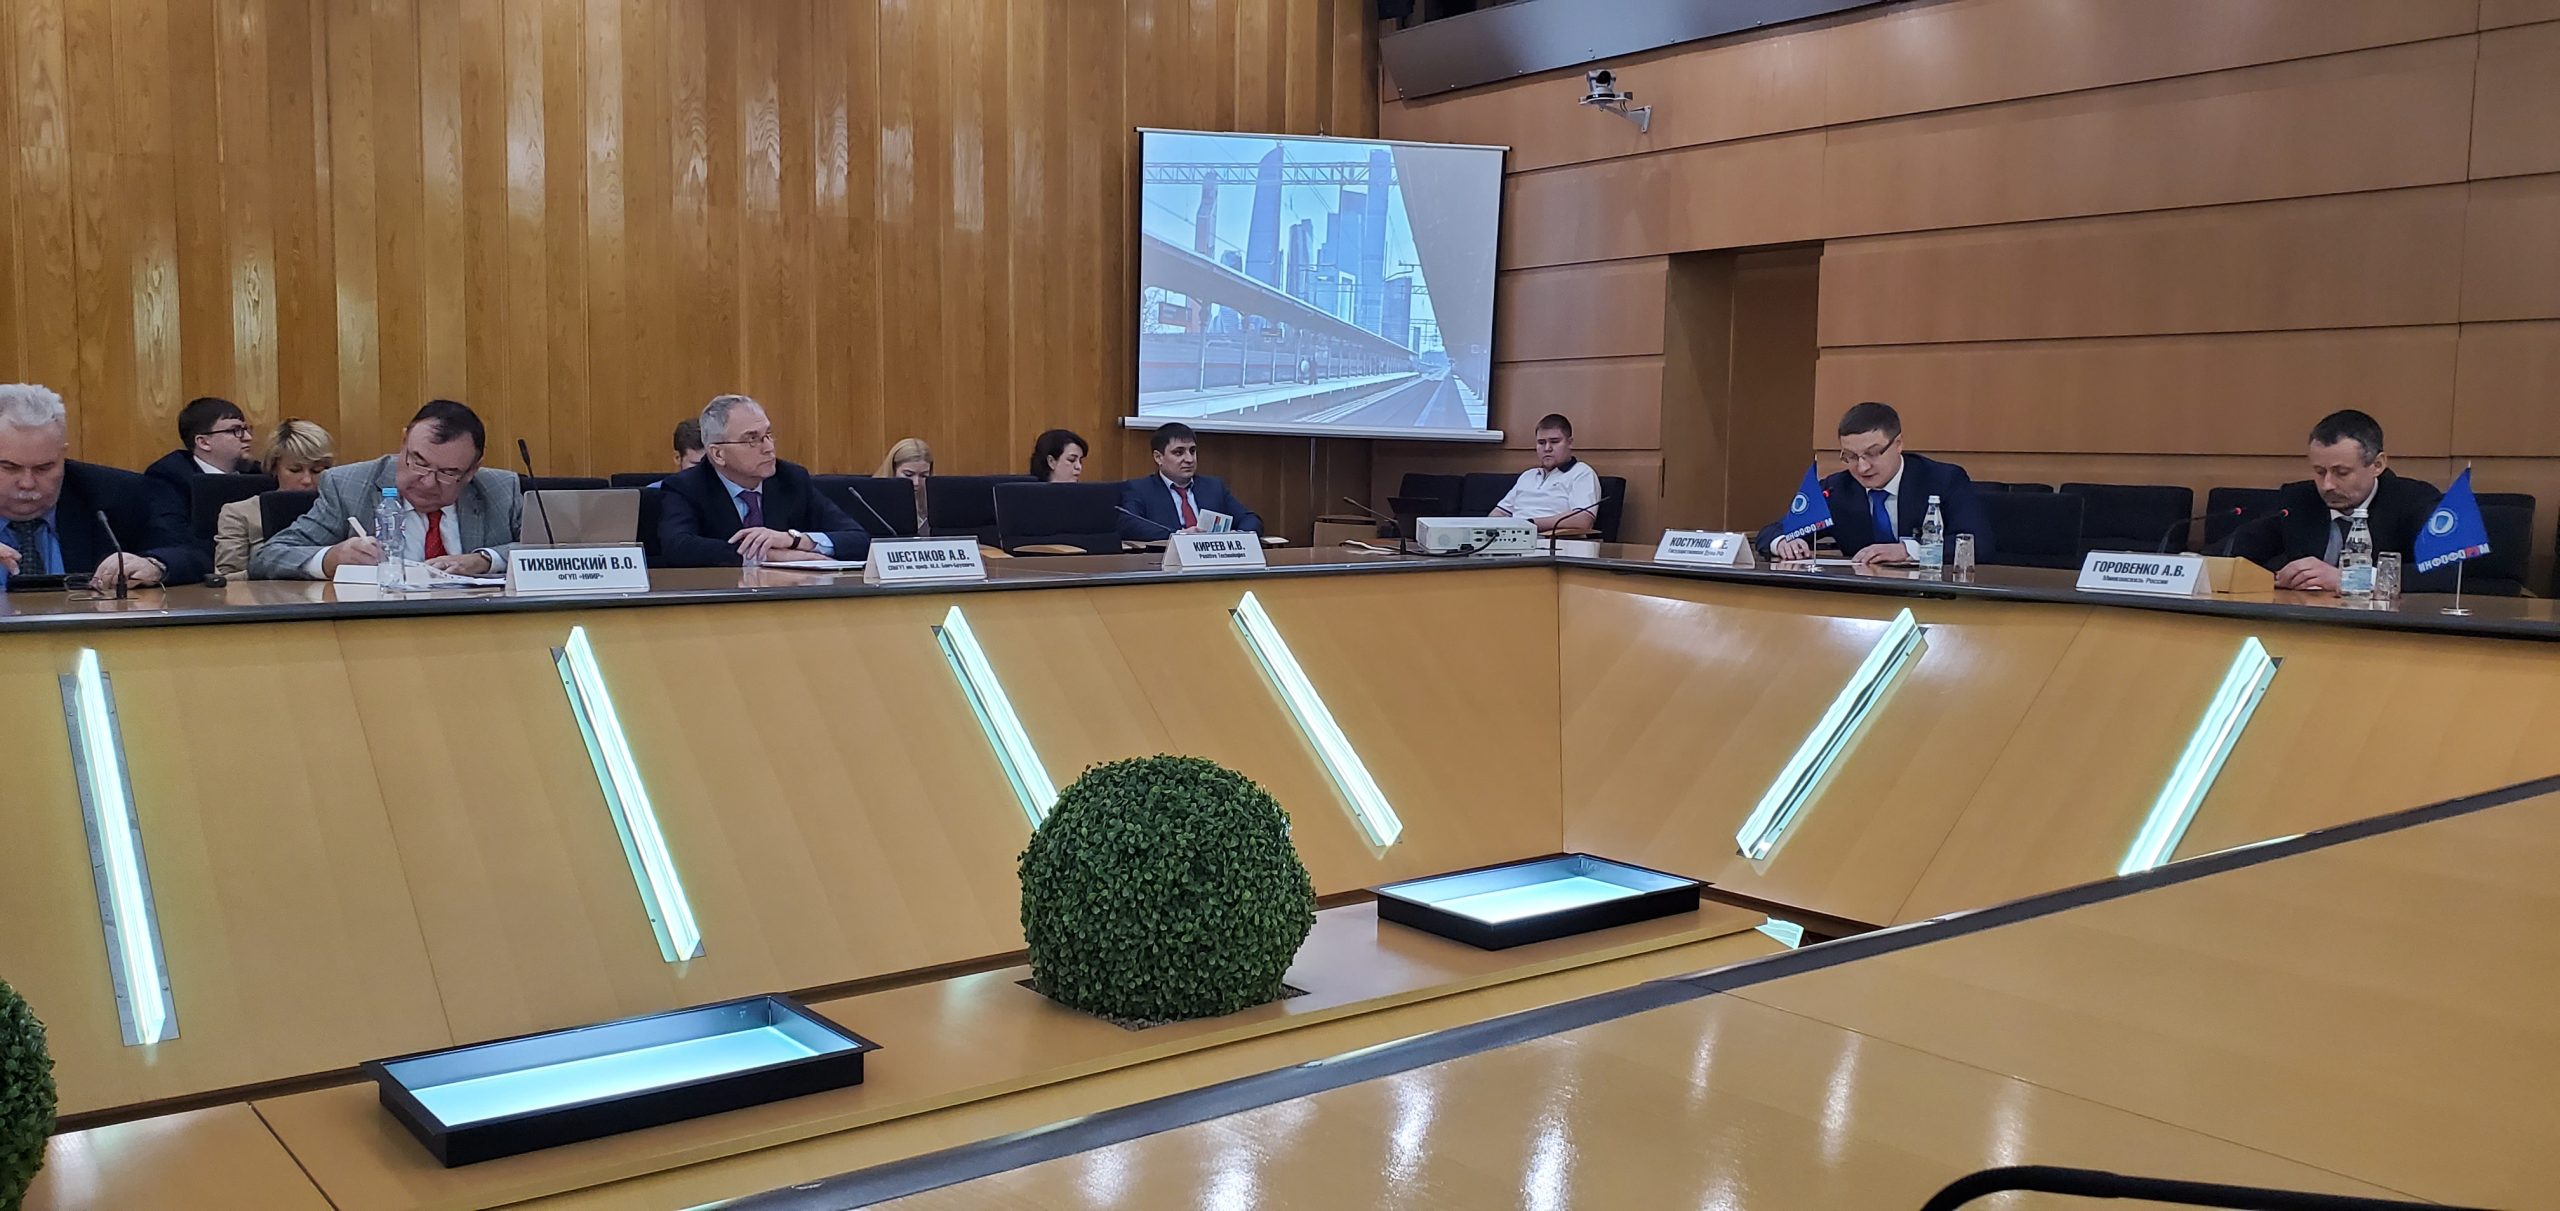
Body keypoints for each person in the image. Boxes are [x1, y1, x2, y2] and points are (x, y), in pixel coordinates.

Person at [250, 400, 522, 579]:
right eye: (419, 462)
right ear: (403, 442)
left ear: (472, 470)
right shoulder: (349, 486)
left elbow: (546, 550)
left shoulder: (500, 489)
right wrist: (331, 558)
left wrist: (485, 560)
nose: (428, 481)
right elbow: (268, 557)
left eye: (448, 473)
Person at [0, 383, 207, 588]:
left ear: (63, 454)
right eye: (9, 467)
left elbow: (193, 553)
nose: (27, 483)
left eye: (44, 468)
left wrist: (154, 565)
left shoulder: (114, 494)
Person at [2228, 409, 2452, 594]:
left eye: (2341, 472)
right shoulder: (2297, 500)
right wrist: (2277, 576)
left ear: (2377, 465)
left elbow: (2451, 572)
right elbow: (2234, 556)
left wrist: (2351, 579)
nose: (2327, 485)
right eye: (2319, 471)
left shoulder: (2414, 500)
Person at [1757, 401, 1994, 564]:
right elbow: (1773, 531)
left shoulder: (1943, 480)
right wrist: (1783, 543)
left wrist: (1908, 550)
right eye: (1851, 456)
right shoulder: (1838, 489)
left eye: (1872, 454)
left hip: (1932, 599)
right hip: (1862, 603)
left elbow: (1977, 545)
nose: (1862, 467)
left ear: (1898, 444)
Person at [658, 393, 870, 567]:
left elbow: (858, 539)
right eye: (752, 439)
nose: (769, 448)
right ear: (718, 454)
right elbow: (678, 547)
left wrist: (794, 540)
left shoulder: (790, 478)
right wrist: (769, 555)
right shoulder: (687, 486)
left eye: (768, 435)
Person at [213, 419, 334, 577]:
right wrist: (276, 567)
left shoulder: (339, 510)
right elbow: (227, 577)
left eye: (317, 470)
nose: (307, 480)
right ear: (274, 467)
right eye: (295, 470)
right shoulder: (239, 513)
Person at [1119, 421, 1263, 539]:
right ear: (1158, 457)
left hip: (1213, 560)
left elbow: (1250, 519)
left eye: (1192, 451)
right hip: (1166, 560)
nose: (1189, 459)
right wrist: (1179, 535)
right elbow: (1129, 524)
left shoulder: (1213, 487)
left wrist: (1239, 535)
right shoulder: (1141, 489)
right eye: (1179, 452)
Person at [1491, 413, 1601, 534]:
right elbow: (1499, 512)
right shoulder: (1528, 476)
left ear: (1569, 443)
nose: (1547, 448)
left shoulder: (1581, 473)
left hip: (1553, 540)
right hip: (1514, 537)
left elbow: (1583, 520)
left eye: (1554, 442)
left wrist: (1530, 524)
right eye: (1541, 443)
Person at [143, 396, 257, 494]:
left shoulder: (258, 473)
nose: (248, 437)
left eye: (245, 429)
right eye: (235, 430)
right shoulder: (171, 478)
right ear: (203, 442)